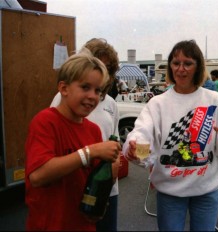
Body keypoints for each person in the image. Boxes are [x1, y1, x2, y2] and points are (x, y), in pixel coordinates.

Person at [122, 40, 218, 231]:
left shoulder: (214, 100)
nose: (181, 69)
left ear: (198, 67)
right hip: (169, 193)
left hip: (206, 191)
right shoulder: (158, 104)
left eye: (187, 63)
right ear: (170, 67)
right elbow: (143, 135)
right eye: (175, 63)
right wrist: (136, 149)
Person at [25, 52, 122, 231]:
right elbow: (38, 176)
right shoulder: (45, 121)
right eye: (85, 87)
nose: (93, 96)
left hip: (84, 224)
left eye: (97, 90)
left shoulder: (93, 129)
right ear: (64, 88)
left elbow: (94, 181)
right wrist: (90, 152)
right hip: (49, 224)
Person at [50, 38, 121, 232]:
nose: (100, 71)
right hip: (76, 188)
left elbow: (114, 140)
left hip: (108, 189)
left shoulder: (110, 103)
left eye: (106, 67)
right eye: (96, 62)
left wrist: (115, 167)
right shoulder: (61, 100)